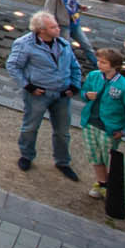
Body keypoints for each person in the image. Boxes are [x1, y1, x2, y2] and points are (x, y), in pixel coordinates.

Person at [6, 12, 81, 181]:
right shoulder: (24, 44)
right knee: (30, 127)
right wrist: (28, 86)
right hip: (38, 95)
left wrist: (75, 85)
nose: (58, 28)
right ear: (41, 30)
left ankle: (63, 162)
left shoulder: (63, 43)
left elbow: (74, 66)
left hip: (62, 94)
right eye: (53, 26)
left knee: (63, 131)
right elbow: (13, 66)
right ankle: (26, 156)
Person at [80, 48, 125, 202]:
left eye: (103, 62)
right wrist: (86, 95)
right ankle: (101, 183)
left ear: (115, 65)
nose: (99, 64)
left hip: (110, 128)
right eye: (99, 61)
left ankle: (111, 185)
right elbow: (83, 91)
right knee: (94, 155)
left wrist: (124, 130)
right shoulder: (93, 76)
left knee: (108, 158)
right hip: (90, 122)